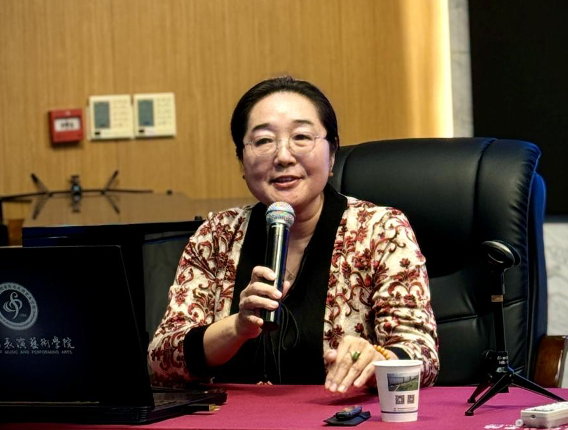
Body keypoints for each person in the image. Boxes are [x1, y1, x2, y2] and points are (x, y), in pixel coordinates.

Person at [148, 76, 439, 392]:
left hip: (339, 419)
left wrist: (376, 360)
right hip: (233, 420)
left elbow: (422, 357)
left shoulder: (380, 231)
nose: (283, 156)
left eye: (301, 137)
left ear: (332, 154)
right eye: (263, 141)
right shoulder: (217, 236)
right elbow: (160, 361)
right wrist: (236, 327)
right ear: (242, 162)